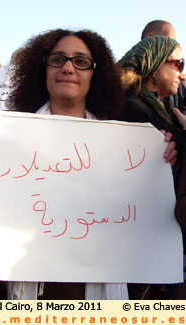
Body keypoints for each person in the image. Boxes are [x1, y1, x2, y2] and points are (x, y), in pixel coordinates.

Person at [0, 29, 177, 300]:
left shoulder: (130, 146)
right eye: (57, 59)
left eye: (81, 61)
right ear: (43, 69)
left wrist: (161, 160)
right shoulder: (4, 141)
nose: (68, 67)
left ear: (94, 75)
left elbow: (152, 219)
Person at [118, 35, 184, 299]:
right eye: (178, 63)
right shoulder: (135, 111)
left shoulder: (156, 109)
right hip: (142, 248)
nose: (182, 72)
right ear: (156, 66)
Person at [141, 20, 186, 121]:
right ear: (151, 38)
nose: (172, 46)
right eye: (177, 64)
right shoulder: (122, 89)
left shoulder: (179, 86)